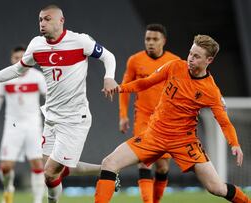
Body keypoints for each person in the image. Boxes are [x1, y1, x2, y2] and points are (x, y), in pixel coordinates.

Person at [0, 4, 119, 203]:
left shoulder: (79, 41)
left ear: (61, 20)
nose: (42, 23)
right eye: (40, 19)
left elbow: (108, 56)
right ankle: (107, 169)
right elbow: (16, 70)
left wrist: (109, 77)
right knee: (51, 169)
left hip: (74, 119)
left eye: (47, 19)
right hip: (51, 118)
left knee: (50, 172)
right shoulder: (36, 45)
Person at [95, 35, 250, 203]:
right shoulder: (175, 66)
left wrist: (234, 143)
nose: (190, 59)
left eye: (196, 56)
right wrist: (120, 88)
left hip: (184, 142)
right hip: (154, 136)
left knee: (217, 188)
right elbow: (145, 83)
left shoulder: (210, 91)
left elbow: (224, 122)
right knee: (109, 163)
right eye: (190, 53)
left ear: (209, 60)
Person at [119, 24, 180, 203]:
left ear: (164, 41)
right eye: (148, 39)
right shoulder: (135, 61)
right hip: (143, 119)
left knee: (162, 167)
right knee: (144, 161)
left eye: (155, 39)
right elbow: (125, 88)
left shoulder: (175, 62)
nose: (150, 43)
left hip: (166, 122)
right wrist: (123, 115)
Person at [0, 46, 46, 203]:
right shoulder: (6, 78)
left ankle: (37, 200)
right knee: (5, 167)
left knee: (38, 163)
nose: (19, 60)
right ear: (11, 60)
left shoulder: (38, 77)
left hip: (33, 125)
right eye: (15, 58)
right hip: (12, 126)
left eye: (22, 57)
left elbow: (50, 99)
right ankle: (8, 189)